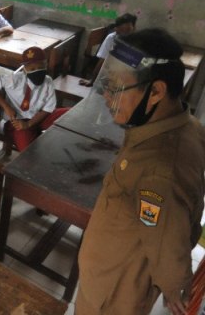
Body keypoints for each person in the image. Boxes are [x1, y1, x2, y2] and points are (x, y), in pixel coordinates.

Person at [76, 28, 205, 315]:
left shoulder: (159, 169)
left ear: (156, 91)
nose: (108, 97)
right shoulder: (185, 125)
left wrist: (175, 287)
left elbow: (167, 238)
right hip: (114, 270)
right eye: (106, 85)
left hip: (111, 294)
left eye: (117, 89)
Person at [0, 46, 68, 152]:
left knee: (70, 114)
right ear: (24, 69)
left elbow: (48, 109)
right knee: (26, 147)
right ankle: (32, 161)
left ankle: (63, 145)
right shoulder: (14, 79)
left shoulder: (48, 81)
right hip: (18, 123)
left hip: (38, 118)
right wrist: (6, 106)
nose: (37, 71)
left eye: (41, 66)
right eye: (32, 69)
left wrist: (30, 123)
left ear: (46, 64)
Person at [79, 13, 137, 87]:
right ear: (116, 30)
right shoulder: (111, 38)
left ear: (134, 28)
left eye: (128, 31)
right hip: (111, 75)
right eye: (121, 31)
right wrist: (92, 80)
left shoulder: (138, 42)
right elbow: (102, 60)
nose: (125, 35)